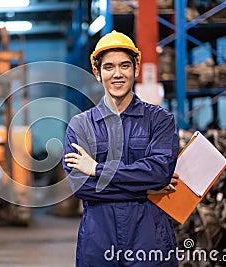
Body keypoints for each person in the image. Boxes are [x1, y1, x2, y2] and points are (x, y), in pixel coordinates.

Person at [63, 30, 180, 266]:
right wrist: (147, 190)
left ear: (136, 69)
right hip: (99, 242)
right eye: (108, 67)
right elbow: (82, 188)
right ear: (97, 73)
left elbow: (158, 173)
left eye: (125, 66)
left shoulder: (159, 120)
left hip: (149, 240)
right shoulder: (81, 126)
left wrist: (98, 169)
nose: (117, 74)